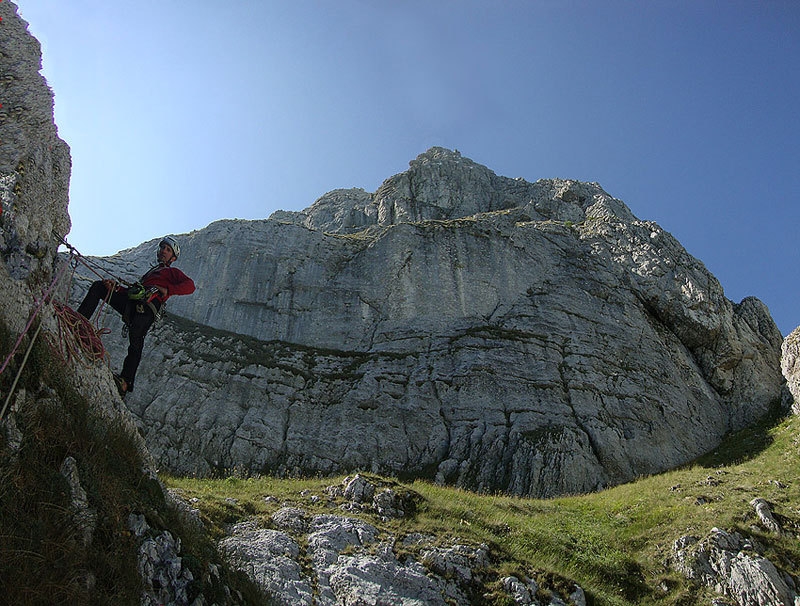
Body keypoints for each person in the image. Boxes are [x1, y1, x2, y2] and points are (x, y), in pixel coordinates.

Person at [77, 236, 195, 396]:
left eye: (168, 250)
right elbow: (133, 292)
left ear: (173, 258)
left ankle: (126, 381)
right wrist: (116, 289)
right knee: (99, 287)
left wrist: (168, 289)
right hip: (133, 303)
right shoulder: (150, 274)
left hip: (147, 309)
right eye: (163, 248)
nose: (163, 251)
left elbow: (190, 286)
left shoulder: (171, 272)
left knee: (136, 339)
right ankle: (79, 322)